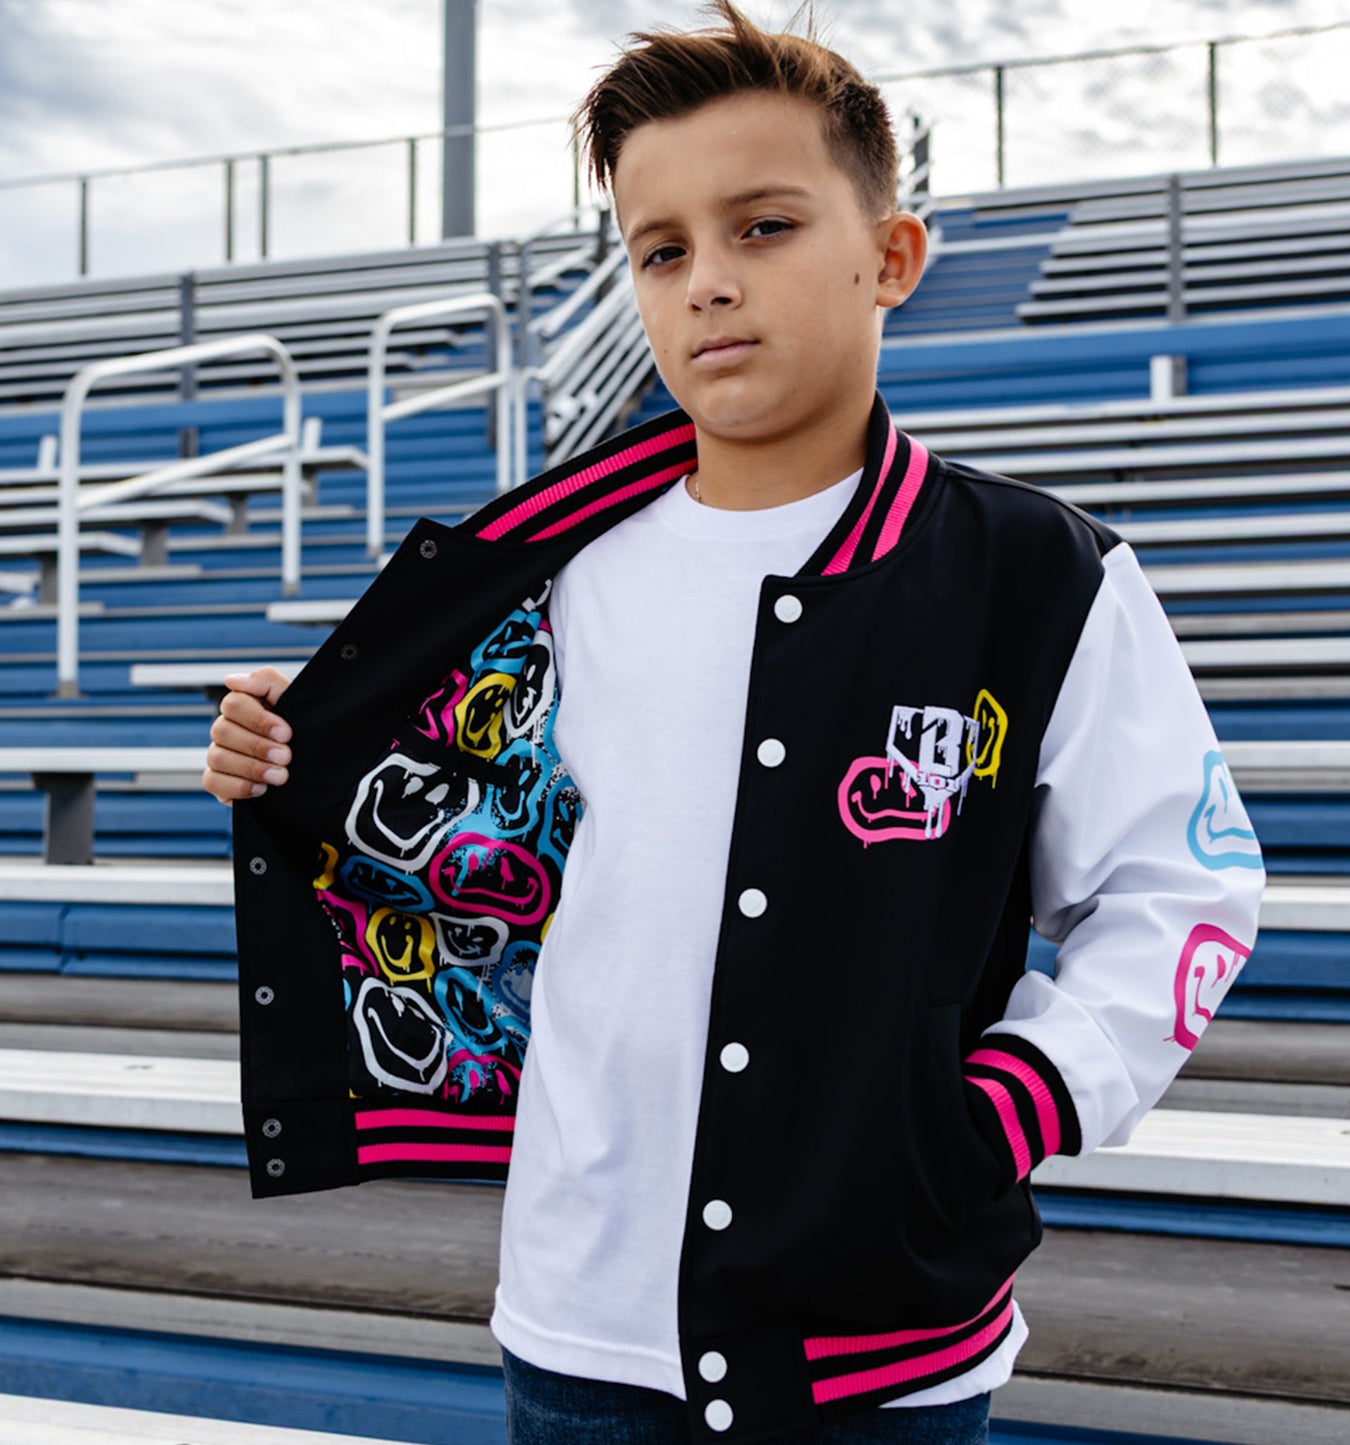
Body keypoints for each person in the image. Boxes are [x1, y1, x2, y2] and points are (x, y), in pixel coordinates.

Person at [204, 5, 1266, 1442]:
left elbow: (1179, 885)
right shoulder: (549, 572)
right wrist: (286, 744)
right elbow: (457, 827)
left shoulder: (1038, 575)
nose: (708, 282)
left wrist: (1006, 1105)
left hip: (884, 1329)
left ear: (887, 256)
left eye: (761, 227)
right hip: (583, 1309)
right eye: (662, 249)